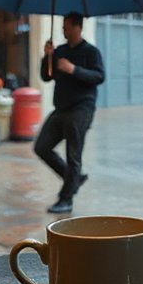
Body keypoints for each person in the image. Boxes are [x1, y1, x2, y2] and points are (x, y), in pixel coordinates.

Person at [34, 12, 105, 213]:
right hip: (61, 108)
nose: (63, 31)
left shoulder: (91, 52)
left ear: (77, 27)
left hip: (82, 108)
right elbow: (46, 76)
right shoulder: (60, 51)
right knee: (42, 147)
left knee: (73, 155)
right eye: (62, 27)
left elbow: (99, 76)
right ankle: (74, 178)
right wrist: (46, 56)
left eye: (66, 27)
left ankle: (66, 199)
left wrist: (74, 69)